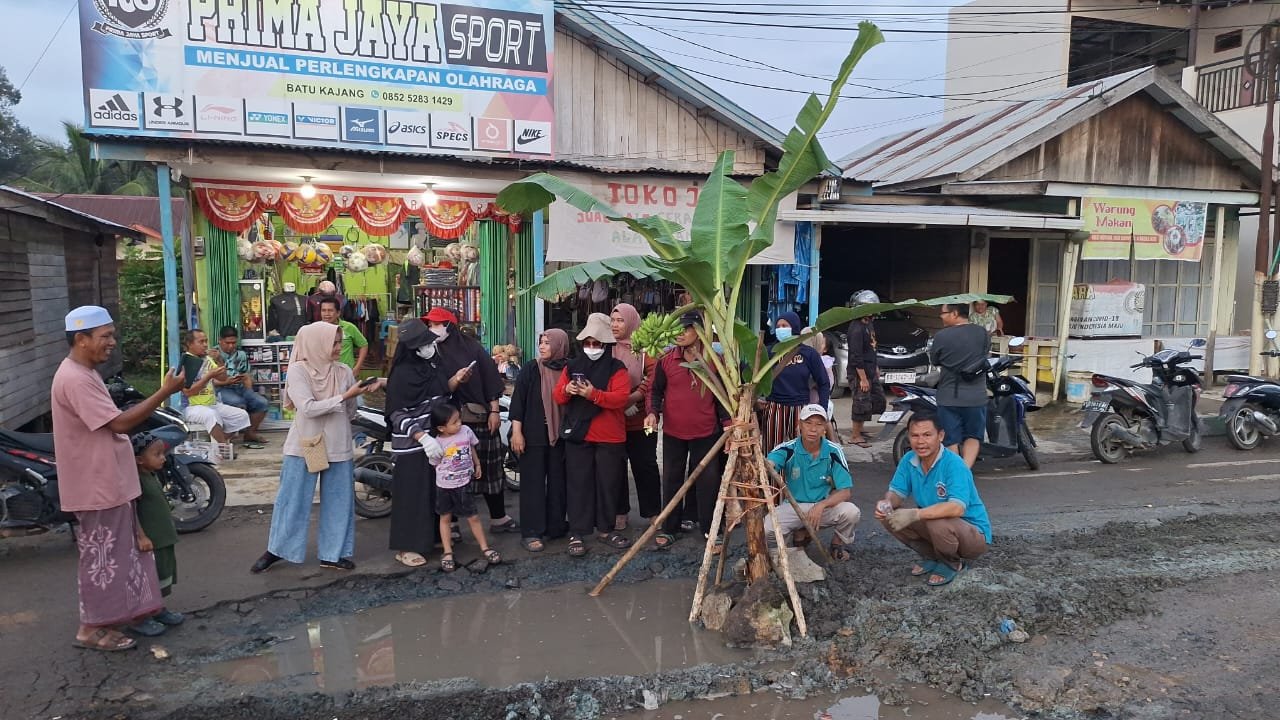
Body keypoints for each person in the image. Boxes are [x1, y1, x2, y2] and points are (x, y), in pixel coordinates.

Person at [52, 305, 186, 652]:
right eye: (105, 336)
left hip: (111, 481)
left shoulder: (86, 372)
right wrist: (163, 393)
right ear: (81, 340)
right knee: (103, 560)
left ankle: (143, 611)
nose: (112, 343)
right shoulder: (74, 378)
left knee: (130, 552)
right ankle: (91, 629)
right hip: (95, 485)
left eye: (112, 334)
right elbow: (118, 424)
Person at [250, 322, 384, 574]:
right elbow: (308, 408)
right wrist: (344, 397)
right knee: (292, 499)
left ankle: (333, 554)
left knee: (339, 500)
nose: (338, 347)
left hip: (337, 443)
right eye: (333, 343)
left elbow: (351, 411)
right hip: (305, 443)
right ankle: (277, 549)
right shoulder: (298, 370)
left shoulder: (344, 371)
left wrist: (350, 396)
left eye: (339, 342)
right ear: (315, 343)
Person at [384, 319, 470, 568]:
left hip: (437, 441)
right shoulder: (401, 375)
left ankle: (431, 539)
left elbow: (441, 392)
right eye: (424, 344)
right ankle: (406, 547)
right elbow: (396, 413)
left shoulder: (433, 365)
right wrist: (421, 437)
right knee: (412, 496)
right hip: (413, 445)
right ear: (412, 349)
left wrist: (456, 379)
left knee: (433, 494)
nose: (430, 347)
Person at [425, 307, 517, 534]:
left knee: (489, 468)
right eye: (429, 324)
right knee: (451, 473)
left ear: (449, 325)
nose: (432, 328)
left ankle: (498, 517)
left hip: (479, 419)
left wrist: (494, 410)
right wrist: (455, 381)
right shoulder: (430, 352)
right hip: (446, 423)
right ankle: (452, 523)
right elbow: (435, 388)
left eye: (436, 324)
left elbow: (491, 379)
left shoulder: (472, 348)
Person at [875, 413, 992, 587]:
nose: (920, 441)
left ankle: (952, 563)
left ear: (941, 436)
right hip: (937, 526)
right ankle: (932, 557)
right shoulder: (908, 460)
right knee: (888, 516)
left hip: (973, 536)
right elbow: (896, 493)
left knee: (935, 520)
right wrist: (887, 503)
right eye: (915, 435)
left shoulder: (954, 464)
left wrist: (915, 514)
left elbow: (956, 508)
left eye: (927, 435)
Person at [646, 312, 728, 548]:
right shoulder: (667, 360)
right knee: (672, 479)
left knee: (708, 482)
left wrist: (728, 427)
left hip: (707, 432)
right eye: (676, 330)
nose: (679, 334)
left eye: (686, 329)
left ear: (700, 331)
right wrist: (653, 413)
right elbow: (655, 391)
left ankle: (710, 529)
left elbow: (722, 397)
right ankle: (670, 528)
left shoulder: (714, 361)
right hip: (674, 432)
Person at [554, 312, 632, 557]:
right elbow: (558, 396)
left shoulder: (617, 368)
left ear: (606, 344)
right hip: (580, 435)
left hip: (609, 436)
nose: (591, 347)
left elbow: (620, 398)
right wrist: (568, 389)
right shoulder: (572, 366)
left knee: (608, 485)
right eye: (587, 343)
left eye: (596, 343)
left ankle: (606, 530)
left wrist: (593, 395)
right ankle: (577, 532)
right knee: (578, 485)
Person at [764, 404, 859, 561]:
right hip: (793, 506)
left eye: (819, 424)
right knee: (768, 527)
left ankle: (837, 546)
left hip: (823, 507)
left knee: (851, 512)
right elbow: (771, 463)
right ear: (799, 425)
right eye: (808, 423)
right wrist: (769, 465)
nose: (813, 429)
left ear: (825, 428)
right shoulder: (788, 448)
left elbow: (845, 491)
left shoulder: (834, 451)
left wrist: (821, 505)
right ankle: (780, 553)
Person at [509, 329, 571, 553]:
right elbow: (518, 402)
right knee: (532, 484)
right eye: (541, 343)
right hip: (532, 434)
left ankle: (555, 526)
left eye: (548, 343)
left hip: (561, 436)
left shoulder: (569, 369)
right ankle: (532, 531)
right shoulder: (531, 369)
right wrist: (517, 432)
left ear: (560, 345)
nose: (542, 347)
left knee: (558, 483)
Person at [428, 403, 502, 571]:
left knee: (473, 517)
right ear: (441, 428)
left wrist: (477, 464)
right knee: (445, 518)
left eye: (459, 419)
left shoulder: (466, 431)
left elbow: (471, 448)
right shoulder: (436, 444)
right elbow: (434, 464)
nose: (459, 424)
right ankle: (447, 551)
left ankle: (485, 547)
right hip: (444, 486)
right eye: (454, 422)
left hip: (464, 483)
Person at [130, 431, 186, 635]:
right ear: (138, 460)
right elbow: (131, 511)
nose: (163, 458)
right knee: (148, 578)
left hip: (162, 537)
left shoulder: (150, 475)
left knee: (163, 573)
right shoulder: (136, 481)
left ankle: (157, 608)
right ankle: (140, 617)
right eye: (157, 454)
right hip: (151, 539)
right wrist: (141, 535)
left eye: (162, 453)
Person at [611, 303, 660, 530]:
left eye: (620, 320)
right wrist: (620, 402)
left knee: (646, 466)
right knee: (616, 468)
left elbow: (653, 378)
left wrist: (635, 397)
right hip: (614, 420)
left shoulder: (645, 349)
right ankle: (620, 512)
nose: (615, 325)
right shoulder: (608, 347)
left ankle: (653, 513)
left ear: (631, 322)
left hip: (643, 419)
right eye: (613, 320)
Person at [930, 303, 991, 468]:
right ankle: (965, 470)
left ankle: (956, 472)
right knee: (973, 436)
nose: (941, 316)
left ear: (955, 313)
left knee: (951, 439)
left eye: (943, 313)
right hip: (976, 397)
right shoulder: (982, 333)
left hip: (949, 397)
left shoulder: (942, 336)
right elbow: (985, 355)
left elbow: (934, 360)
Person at [759, 311, 831, 451]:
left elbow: (823, 383)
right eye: (778, 326)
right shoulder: (769, 352)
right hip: (775, 408)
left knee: (802, 450)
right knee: (773, 450)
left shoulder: (808, 353)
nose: (781, 329)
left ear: (795, 328)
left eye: (784, 325)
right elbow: (757, 379)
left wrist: (822, 410)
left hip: (801, 409)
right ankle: (775, 473)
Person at [179, 329, 253, 447]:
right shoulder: (186, 362)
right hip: (191, 407)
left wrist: (219, 360)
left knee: (241, 415)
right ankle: (223, 447)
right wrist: (209, 376)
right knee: (211, 415)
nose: (205, 345)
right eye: (201, 342)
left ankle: (220, 442)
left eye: (206, 341)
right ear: (189, 344)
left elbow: (223, 378)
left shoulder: (207, 359)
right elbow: (188, 392)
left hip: (212, 404)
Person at [211, 325, 269, 445]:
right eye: (227, 343)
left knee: (261, 403)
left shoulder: (240, 355)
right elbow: (209, 381)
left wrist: (249, 390)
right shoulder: (212, 355)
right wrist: (226, 382)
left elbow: (246, 375)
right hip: (221, 388)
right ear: (220, 340)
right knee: (237, 403)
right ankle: (229, 435)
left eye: (233, 343)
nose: (231, 346)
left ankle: (250, 433)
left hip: (239, 387)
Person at [845, 290, 886, 448]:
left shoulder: (868, 323)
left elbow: (871, 348)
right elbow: (856, 356)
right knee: (860, 403)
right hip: (859, 373)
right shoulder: (856, 328)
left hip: (870, 370)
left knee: (876, 400)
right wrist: (862, 378)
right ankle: (855, 435)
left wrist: (874, 367)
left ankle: (860, 431)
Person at [802, 327, 841, 444]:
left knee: (820, 424)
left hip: (817, 401)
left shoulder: (822, 362)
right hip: (812, 400)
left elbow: (827, 383)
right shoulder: (802, 359)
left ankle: (832, 446)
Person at [318, 296, 368, 375]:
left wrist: (357, 367)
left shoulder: (349, 327)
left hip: (346, 373)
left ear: (338, 313)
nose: (326, 314)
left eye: (330, 310)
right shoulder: (316, 329)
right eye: (323, 310)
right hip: (323, 374)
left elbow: (364, 345)